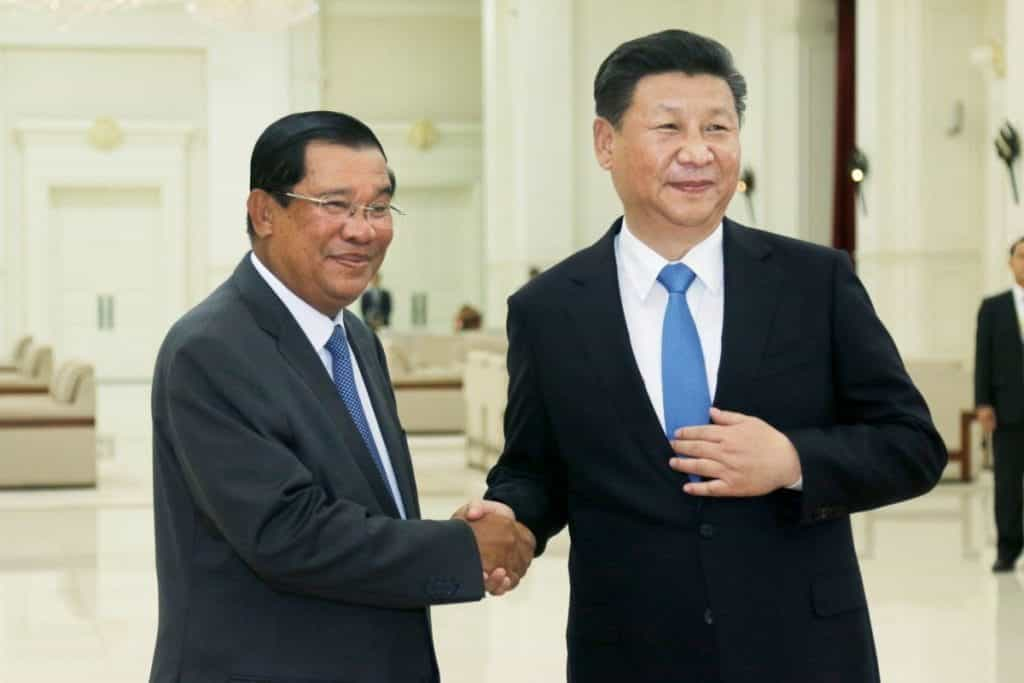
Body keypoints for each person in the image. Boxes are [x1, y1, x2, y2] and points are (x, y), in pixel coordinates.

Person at [462, 29, 946, 682]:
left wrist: (794, 460)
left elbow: (912, 443)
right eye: (668, 128)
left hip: (803, 651)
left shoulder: (814, 283)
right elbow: (536, 467)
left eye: (718, 128)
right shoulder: (549, 309)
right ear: (606, 142)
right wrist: (510, 515)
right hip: (628, 653)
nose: (698, 152)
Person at [149, 111, 534, 683]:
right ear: (264, 212)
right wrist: (460, 550)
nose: (362, 229)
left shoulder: (352, 336)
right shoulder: (211, 348)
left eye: (378, 207)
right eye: (335, 204)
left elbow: (369, 504)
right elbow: (288, 533)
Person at [975, 236, 1024, 573]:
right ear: (1011, 263)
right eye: (1022, 256)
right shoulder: (993, 308)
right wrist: (982, 402)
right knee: (1007, 484)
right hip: (1008, 411)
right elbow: (983, 359)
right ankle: (1007, 549)